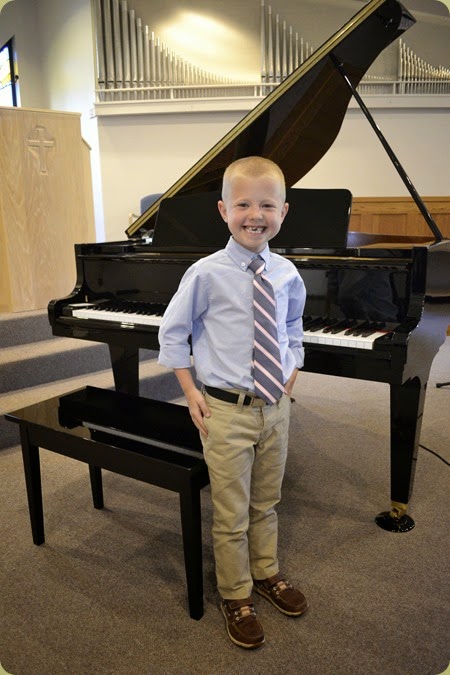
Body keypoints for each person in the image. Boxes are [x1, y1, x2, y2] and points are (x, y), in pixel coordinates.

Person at [158, 156, 308, 649]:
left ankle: (266, 572)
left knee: (267, 501)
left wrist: (291, 373)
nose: (255, 214)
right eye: (243, 203)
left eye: (266, 204)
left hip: (275, 408)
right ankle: (236, 593)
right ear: (224, 210)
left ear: (283, 211)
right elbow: (173, 333)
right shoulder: (206, 273)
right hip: (225, 411)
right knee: (231, 510)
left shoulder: (286, 272)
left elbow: (291, 328)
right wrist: (190, 391)